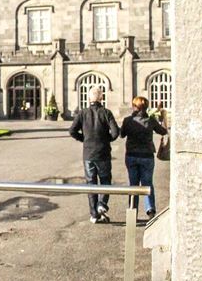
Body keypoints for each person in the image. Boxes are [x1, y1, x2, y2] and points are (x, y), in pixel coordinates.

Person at [68, 87, 120, 223]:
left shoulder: (82, 113)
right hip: (103, 153)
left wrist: (84, 139)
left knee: (91, 183)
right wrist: (105, 140)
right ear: (101, 98)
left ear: (89, 98)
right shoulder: (106, 113)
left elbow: (72, 131)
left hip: (88, 154)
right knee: (105, 180)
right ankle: (102, 204)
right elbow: (115, 133)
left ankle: (94, 215)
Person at [120, 96, 168, 218]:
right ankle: (150, 209)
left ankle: (132, 210)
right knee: (148, 183)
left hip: (131, 155)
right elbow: (163, 131)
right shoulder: (151, 120)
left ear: (135, 107)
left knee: (133, 184)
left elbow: (121, 135)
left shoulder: (128, 120)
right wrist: (163, 119)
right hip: (147, 156)